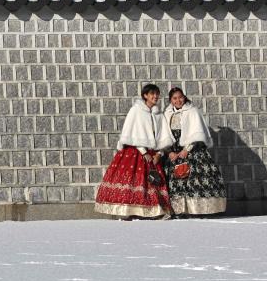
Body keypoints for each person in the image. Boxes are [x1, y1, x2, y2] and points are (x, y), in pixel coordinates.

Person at [95, 84, 174, 219]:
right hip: (135, 151)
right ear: (145, 96)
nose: (155, 97)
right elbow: (130, 132)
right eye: (152, 94)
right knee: (133, 181)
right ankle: (127, 211)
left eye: (157, 94)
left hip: (153, 154)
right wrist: (143, 152)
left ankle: (153, 212)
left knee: (153, 183)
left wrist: (159, 153)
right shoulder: (136, 111)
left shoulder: (159, 114)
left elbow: (163, 137)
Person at [163, 87, 226, 216]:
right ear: (170, 100)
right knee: (175, 181)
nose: (178, 100)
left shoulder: (193, 111)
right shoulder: (167, 113)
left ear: (184, 97)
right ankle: (179, 210)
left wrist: (187, 149)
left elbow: (197, 132)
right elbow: (163, 135)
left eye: (180, 97)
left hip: (192, 151)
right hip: (174, 153)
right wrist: (169, 152)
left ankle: (198, 210)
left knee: (195, 180)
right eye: (175, 98)